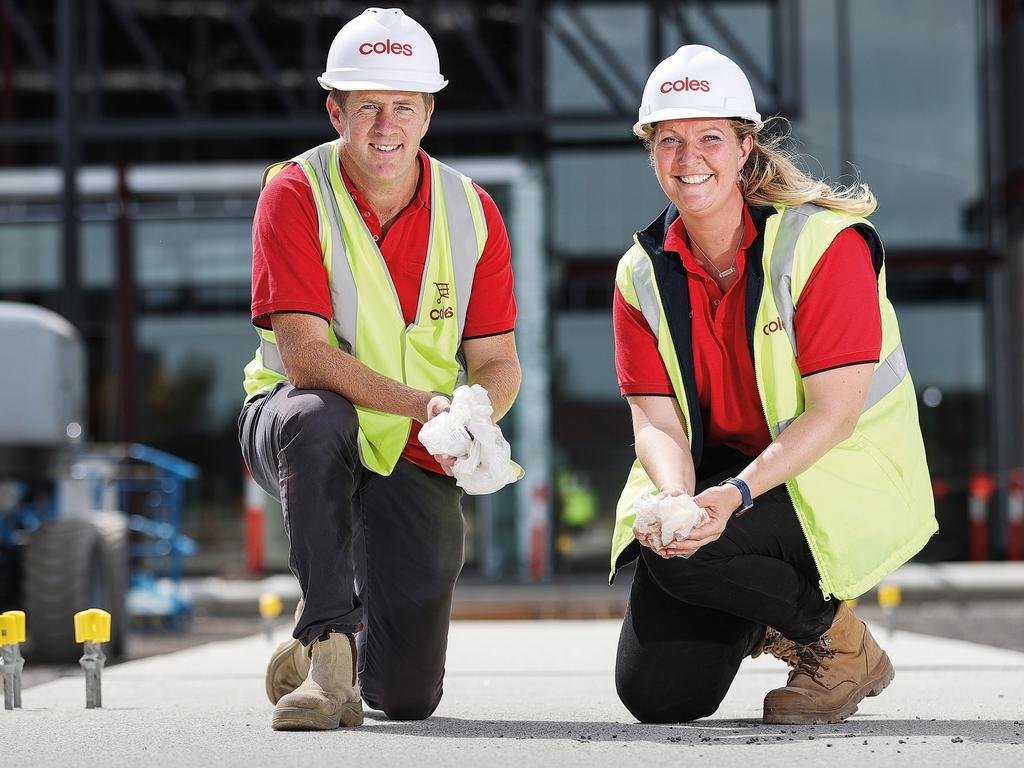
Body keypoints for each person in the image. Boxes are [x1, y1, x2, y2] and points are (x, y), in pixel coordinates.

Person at [609, 44, 936, 725]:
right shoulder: (641, 273)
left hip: (831, 471)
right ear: (651, 151)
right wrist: (675, 498)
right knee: (659, 696)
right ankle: (759, 604)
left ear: (744, 146)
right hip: (729, 480)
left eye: (709, 139)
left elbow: (834, 414)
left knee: (695, 551)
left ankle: (842, 647)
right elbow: (655, 419)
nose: (688, 157)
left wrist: (727, 498)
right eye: (669, 140)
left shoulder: (823, 246)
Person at [238, 8, 520, 731]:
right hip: (290, 421)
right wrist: (428, 403)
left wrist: (475, 413)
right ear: (336, 111)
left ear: (428, 113)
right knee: (317, 413)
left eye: (403, 106)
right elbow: (305, 357)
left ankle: (319, 613)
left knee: (406, 698)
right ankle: (330, 657)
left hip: (409, 447)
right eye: (367, 106)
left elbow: (497, 361)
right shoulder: (295, 191)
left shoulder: (473, 212)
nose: (385, 125)